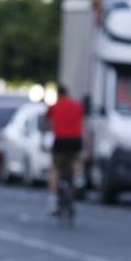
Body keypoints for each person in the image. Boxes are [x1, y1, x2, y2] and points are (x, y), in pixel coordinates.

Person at [47, 83, 85, 215]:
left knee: (55, 167)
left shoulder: (54, 106)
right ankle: (79, 177)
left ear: (57, 94)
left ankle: (52, 199)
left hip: (61, 140)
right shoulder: (77, 105)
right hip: (75, 139)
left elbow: (48, 121)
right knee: (76, 158)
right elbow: (82, 118)